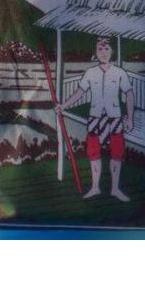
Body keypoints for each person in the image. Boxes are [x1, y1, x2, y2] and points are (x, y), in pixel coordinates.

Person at [57, 36, 135, 201]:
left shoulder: (119, 72)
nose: (103, 52)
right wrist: (63, 106)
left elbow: (129, 93)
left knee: (117, 152)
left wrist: (130, 118)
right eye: (100, 49)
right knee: (93, 152)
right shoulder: (90, 73)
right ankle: (95, 187)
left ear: (112, 51)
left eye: (106, 49)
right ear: (95, 52)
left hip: (114, 117)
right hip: (95, 117)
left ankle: (115, 188)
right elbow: (79, 93)